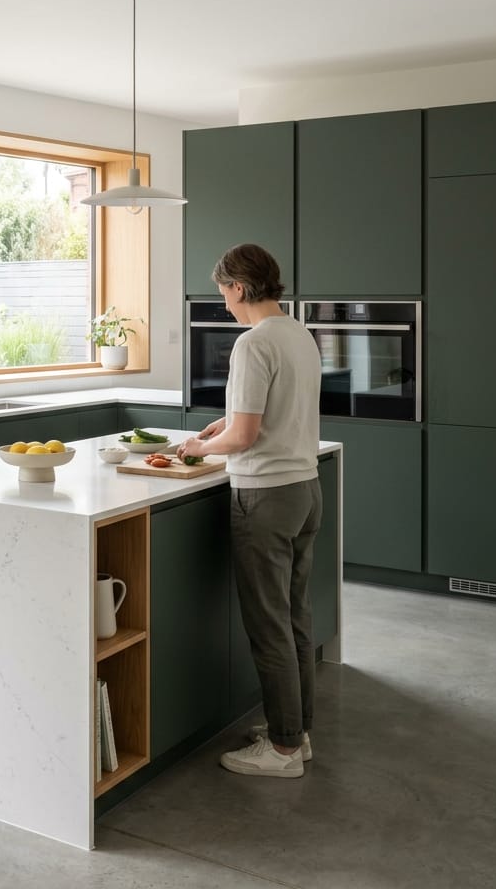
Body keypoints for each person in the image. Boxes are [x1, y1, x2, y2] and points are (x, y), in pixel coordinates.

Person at [178, 243, 322, 779]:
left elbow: (246, 436)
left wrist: (198, 447)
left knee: (268, 627)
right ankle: (296, 732)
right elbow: (264, 417)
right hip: (305, 488)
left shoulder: (251, 343)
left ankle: (283, 753)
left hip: (264, 497)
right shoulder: (299, 333)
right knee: (295, 619)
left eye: (224, 294)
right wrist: (225, 425)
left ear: (238, 287)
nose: (225, 305)